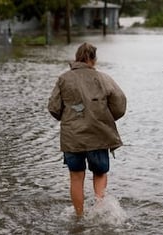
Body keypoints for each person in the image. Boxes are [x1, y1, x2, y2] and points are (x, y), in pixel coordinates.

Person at [48, 42, 127, 216]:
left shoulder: (63, 79)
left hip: (72, 137)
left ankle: (79, 216)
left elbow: (54, 108)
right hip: (98, 134)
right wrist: (104, 118)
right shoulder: (103, 78)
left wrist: (70, 118)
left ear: (77, 58)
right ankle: (99, 213)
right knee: (99, 173)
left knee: (76, 177)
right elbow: (120, 104)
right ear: (93, 59)